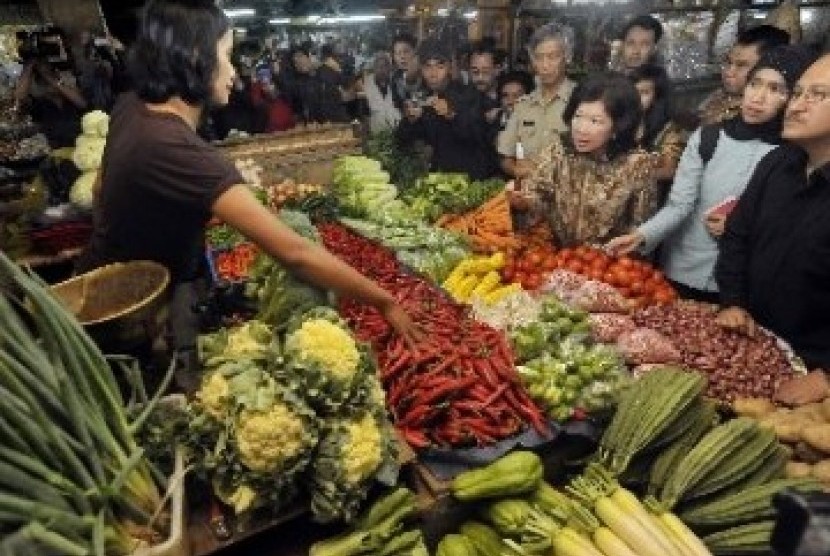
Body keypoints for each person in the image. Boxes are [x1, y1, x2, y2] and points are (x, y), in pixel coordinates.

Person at [76, 0, 422, 385]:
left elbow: (101, 189)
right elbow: (295, 252)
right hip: (121, 324)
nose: (234, 72)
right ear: (195, 56)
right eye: (227, 55)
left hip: (104, 289)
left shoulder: (133, 106)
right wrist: (384, 301)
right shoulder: (174, 146)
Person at [608, 46, 815, 304]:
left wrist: (741, 228)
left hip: (741, 285)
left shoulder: (793, 156)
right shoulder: (709, 138)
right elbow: (680, 205)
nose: (758, 97)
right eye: (755, 84)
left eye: (775, 90)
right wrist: (642, 235)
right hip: (682, 269)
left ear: (792, 98)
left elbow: (791, 230)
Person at [714, 52, 830, 369]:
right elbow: (737, 235)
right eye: (798, 93)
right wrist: (733, 302)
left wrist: (826, 373)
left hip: (812, 369)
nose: (795, 105)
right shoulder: (778, 163)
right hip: (751, 343)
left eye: (818, 96)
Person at [508, 73, 664, 247]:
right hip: (560, 259)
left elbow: (641, 230)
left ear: (618, 126)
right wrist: (522, 201)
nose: (581, 129)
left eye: (595, 121)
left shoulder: (637, 164)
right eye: (578, 116)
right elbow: (538, 194)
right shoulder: (559, 151)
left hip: (608, 265)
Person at [396, 39, 496, 180]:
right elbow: (403, 142)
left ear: (449, 67)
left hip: (472, 180)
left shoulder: (472, 95)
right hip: (441, 180)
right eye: (427, 66)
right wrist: (409, 121)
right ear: (421, 69)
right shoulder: (424, 100)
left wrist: (452, 115)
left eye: (440, 66)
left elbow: (480, 137)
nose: (433, 73)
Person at [497, 23, 577, 180]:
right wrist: (515, 170)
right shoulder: (523, 105)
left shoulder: (581, 100)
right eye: (539, 58)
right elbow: (505, 156)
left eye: (553, 57)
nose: (545, 65)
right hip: (528, 198)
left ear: (567, 58)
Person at [698, 25, 790, 126]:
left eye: (741, 65)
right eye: (728, 62)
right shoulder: (721, 96)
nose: (728, 72)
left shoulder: (761, 111)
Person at [629, 64, 688, 183]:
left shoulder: (670, 129)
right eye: (633, 91)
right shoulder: (622, 119)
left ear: (658, 98)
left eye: (644, 93)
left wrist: (631, 178)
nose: (636, 98)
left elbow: (670, 170)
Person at [284, 44, 349, 124]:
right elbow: (297, 111)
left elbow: (347, 88)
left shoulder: (328, 70)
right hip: (318, 129)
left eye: (300, 56)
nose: (299, 62)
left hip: (340, 123)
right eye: (295, 62)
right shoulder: (297, 85)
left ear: (309, 56)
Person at [362, 51, 401, 132]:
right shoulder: (366, 84)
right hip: (375, 134)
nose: (382, 70)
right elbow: (364, 113)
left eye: (385, 66)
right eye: (379, 66)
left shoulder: (396, 83)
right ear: (374, 68)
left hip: (396, 131)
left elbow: (401, 106)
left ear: (390, 68)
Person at [390, 33, 424, 110]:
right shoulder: (395, 78)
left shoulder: (426, 73)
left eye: (406, 51)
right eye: (398, 53)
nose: (402, 56)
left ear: (415, 53)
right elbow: (397, 104)